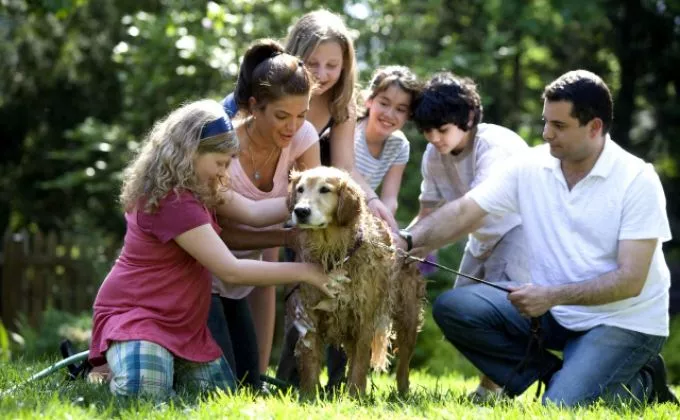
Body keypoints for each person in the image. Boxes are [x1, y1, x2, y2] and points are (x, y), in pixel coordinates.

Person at [397, 70, 676, 407]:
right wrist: (407, 242)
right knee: (456, 307)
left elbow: (631, 281)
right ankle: (556, 376)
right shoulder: (529, 166)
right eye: (545, 121)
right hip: (556, 312)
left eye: (558, 126)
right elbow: (464, 212)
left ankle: (645, 383)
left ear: (595, 127)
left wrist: (552, 295)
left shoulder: (637, 179)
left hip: (621, 319)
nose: (546, 134)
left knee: (559, 408)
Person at [88, 99, 332, 399]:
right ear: (189, 153)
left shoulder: (200, 187)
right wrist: (308, 271)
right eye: (220, 162)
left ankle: (134, 368)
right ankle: (103, 374)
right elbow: (231, 270)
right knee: (146, 393)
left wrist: (311, 201)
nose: (223, 172)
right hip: (140, 316)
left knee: (219, 398)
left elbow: (255, 213)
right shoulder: (171, 201)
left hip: (182, 324)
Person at [406, 71, 531, 402]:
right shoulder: (434, 156)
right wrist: (405, 244)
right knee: (458, 313)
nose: (435, 138)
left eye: (442, 129)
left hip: (523, 230)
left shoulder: (496, 146)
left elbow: (469, 213)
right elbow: (428, 213)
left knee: (496, 309)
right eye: (428, 131)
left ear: (470, 117)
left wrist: (414, 241)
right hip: (482, 238)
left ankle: (494, 390)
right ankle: (502, 383)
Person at [207, 39, 320, 391]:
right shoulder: (223, 148)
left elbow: (317, 202)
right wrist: (286, 236)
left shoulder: (302, 137)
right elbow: (221, 234)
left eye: (301, 115)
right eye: (282, 116)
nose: (293, 127)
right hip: (201, 279)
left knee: (249, 382)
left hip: (240, 284)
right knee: (220, 386)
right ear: (255, 107)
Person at [354, 65, 420, 215]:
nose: (389, 114)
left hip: (359, 215)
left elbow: (390, 199)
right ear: (369, 100)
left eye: (400, 109)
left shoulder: (400, 145)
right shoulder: (350, 132)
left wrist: (385, 222)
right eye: (384, 104)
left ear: (408, 115)